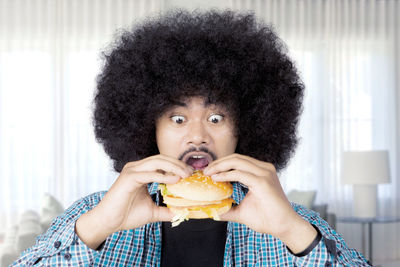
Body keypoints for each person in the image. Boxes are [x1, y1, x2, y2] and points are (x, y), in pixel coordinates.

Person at [12, 9, 370, 266]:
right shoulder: (94, 215)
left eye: (216, 117)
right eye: (178, 117)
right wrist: (98, 227)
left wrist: (294, 233)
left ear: (246, 125)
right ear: (148, 126)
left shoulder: (293, 223)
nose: (197, 135)